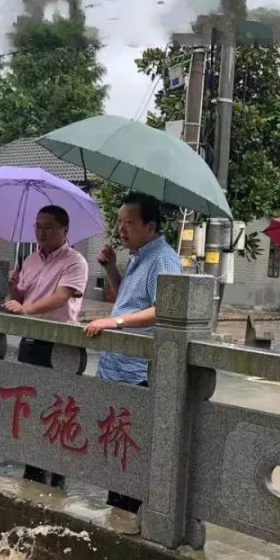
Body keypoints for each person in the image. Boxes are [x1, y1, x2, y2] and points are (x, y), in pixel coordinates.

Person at [85, 192, 182, 514]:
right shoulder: (140, 255)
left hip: (137, 372)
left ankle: (128, 518)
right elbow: (127, 298)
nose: (122, 229)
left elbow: (165, 310)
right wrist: (112, 268)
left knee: (131, 452)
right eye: (119, 222)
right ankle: (118, 515)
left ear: (151, 226)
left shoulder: (163, 259)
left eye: (130, 222)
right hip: (117, 367)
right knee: (118, 450)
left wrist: (117, 321)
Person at [3, 204, 89, 490]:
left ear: (65, 230)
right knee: (30, 409)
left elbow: (61, 298)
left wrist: (26, 310)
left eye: (49, 227)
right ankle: (33, 472)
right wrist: (14, 287)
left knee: (57, 413)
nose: (42, 231)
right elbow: (22, 297)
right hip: (30, 343)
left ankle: (57, 479)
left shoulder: (75, 261)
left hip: (58, 346)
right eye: (38, 226)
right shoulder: (30, 260)